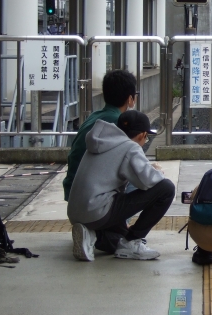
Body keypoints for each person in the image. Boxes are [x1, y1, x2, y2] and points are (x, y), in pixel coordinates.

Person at [67, 110, 175, 261]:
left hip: (77, 213)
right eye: (147, 138)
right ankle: (132, 242)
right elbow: (148, 181)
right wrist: (159, 172)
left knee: (119, 241)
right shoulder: (130, 147)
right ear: (142, 135)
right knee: (166, 189)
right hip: (98, 210)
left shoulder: (100, 141)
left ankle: (92, 236)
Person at [63, 69, 137, 201]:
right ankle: (120, 221)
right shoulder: (120, 124)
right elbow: (133, 164)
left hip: (71, 190)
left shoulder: (94, 117)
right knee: (143, 181)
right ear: (130, 99)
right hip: (92, 195)